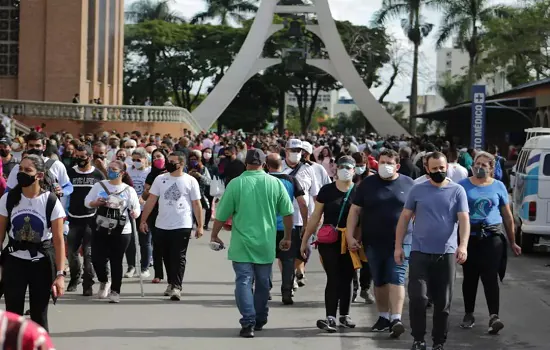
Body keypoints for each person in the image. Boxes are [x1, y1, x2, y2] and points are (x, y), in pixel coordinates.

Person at [211, 149, 294, 338]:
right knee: (263, 283)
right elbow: (288, 213)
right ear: (264, 164)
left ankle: (248, 321)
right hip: (265, 242)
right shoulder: (274, 183)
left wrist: (214, 235)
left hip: (242, 243)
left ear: (245, 163)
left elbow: (222, 215)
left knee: (243, 281)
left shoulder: (236, 183)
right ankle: (260, 318)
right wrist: (287, 237)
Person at [395, 151, 470, 350]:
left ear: (447, 168)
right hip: (419, 252)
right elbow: (404, 218)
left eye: (442, 168)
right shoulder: (417, 190)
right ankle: (418, 339)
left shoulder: (457, 191)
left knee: (443, 302)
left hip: (446, 254)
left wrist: (463, 245)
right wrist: (398, 246)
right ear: (426, 169)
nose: (439, 171)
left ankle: (439, 341)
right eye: (434, 168)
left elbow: (464, 220)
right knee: (418, 298)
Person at [346, 149, 414, 338]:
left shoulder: (409, 184)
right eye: (382, 162)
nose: (385, 166)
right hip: (373, 242)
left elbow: (417, 212)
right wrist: (350, 236)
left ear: (397, 166)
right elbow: (355, 212)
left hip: (401, 241)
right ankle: (383, 316)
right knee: (380, 280)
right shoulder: (367, 184)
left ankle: (396, 318)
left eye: (389, 163)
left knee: (397, 277)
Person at [0, 155, 66, 331]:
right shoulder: (7, 200)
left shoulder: (51, 201)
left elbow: (58, 241)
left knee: (39, 315)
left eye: (28, 170)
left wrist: (60, 275)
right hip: (14, 262)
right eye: (20, 169)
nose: (22, 173)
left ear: (39, 175)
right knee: (13, 315)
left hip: (41, 263)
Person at [458, 151, 521, 334]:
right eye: (477, 163)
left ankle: (494, 316)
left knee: (490, 277)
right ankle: (469, 313)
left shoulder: (499, 186)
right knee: (470, 277)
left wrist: (513, 241)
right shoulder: (462, 186)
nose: (479, 167)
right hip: (470, 237)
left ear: (492, 169)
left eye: (484, 165)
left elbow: (507, 217)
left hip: (492, 238)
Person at [301, 156, 358, 332]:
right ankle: (330, 317)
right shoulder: (326, 191)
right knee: (333, 277)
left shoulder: (358, 192)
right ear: (335, 169)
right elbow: (315, 217)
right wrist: (305, 240)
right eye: (341, 166)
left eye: (348, 167)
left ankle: (344, 316)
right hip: (330, 241)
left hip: (350, 240)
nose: (344, 170)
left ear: (354, 170)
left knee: (348, 277)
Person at [140, 151, 204, 301]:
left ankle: (176, 286)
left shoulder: (190, 180)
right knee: (166, 256)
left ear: (181, 164)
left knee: (179, 256)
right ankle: (171, 282)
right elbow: (151, 201)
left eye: (173, 161)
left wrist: (200, 225)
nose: (169, 163)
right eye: (168, 160)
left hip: (182, 224)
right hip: (161, 224)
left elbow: (196, 203)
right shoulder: (160, 179)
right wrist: (143, 220)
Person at [85, 160, 140, 303]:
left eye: (113, 169)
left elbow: (136, 209)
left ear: (122, 173)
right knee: (97, 258)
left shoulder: (129, 190)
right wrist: (96, 203)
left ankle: (116, 291)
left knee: (116, 260)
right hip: (101, 226)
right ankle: (104, 281)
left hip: (122, 230)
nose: (110, 171)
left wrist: (135, 213)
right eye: (108, 168)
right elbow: (87, 201)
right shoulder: (99, 185)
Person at [266, 153, 307, 305]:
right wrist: (305, 223)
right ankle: (286, 292)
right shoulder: (291, 180)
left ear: (267, 165)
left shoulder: (264, 180)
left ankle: (266, 290)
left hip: (267, 227)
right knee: (288, 260)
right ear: (281, 165)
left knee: (266, 260)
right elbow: (302, 203)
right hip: (287, 226)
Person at [66, 145, 105, 296]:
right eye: (77, 156)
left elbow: (107, 189)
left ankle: (88, 283)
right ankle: (75, 278)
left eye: (83, 157)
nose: (80, 159)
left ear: (89, 157)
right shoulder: (70, 173)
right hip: (73, 218)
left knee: (89, 253)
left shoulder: (97, 174)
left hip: (91, 219)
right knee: (71, 252)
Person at [282, 139, 320, 289]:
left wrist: (319, 215)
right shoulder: (279, 167)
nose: (296, 154)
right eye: (293, 151)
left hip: (304, 218)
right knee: (285, 252)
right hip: (283, 218)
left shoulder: (308, 169)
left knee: (306, 250)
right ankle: (289, 280)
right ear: (286, 151)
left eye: (298, 151)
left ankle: (297, 269)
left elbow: (316, 195)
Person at [124, 148, 152, 278]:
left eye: (138, 160)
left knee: (144, 240)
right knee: (129, 240)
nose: (135, 162)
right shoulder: (128, 171)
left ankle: (145, 267)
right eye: (133, 160)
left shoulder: (150, 172)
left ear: (145, 160)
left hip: (145, 209)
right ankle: (131, 266)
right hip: (129, 209)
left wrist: (144, 199)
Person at [142, 148, 168, 283]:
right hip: (155, 212)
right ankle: (158, 274)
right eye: (154, 158)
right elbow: (145, 195)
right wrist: (148, 191)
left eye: (159, 156)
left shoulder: (173, 173)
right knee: (157, 244)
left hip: (170, 212)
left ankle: (173, 274)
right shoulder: (151, 175)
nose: (157, 160)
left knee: (169, 246)